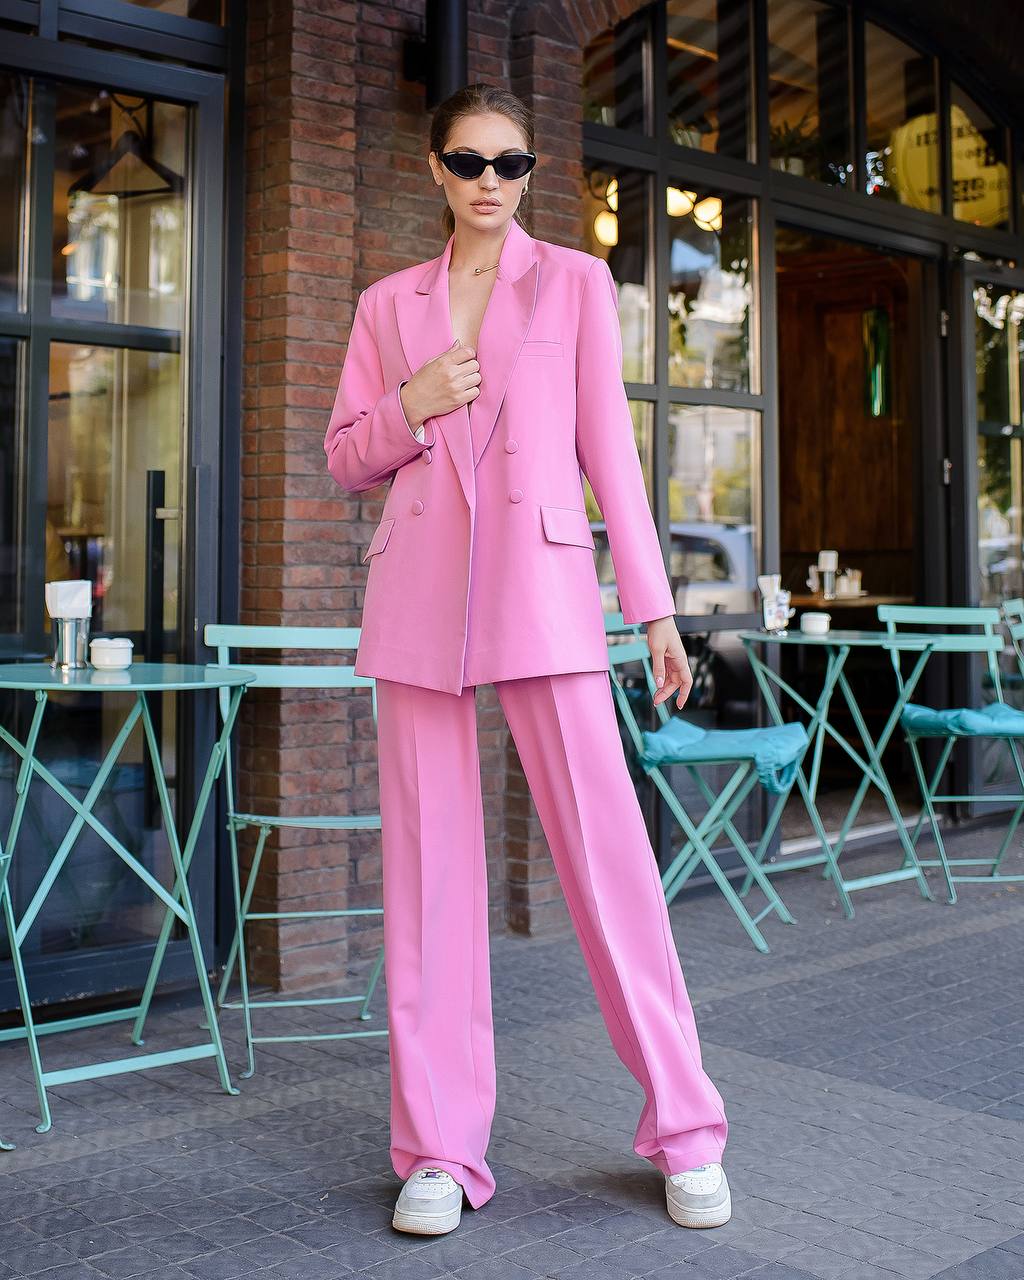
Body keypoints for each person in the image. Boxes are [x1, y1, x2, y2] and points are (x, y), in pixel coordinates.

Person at [324, 83, 730, 1237]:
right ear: (435, 170)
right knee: (429, 885)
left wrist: (651, 610)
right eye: (470, 161)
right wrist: (413, 399)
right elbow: (347, 453)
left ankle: (687, 1128)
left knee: (608, 866)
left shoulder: (576, 281)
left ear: (529, 171)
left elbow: (611, 444)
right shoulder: (384, 304)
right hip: (417, 598)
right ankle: (439, 1149)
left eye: (513, 162)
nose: (492, 181)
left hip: (545, 593)